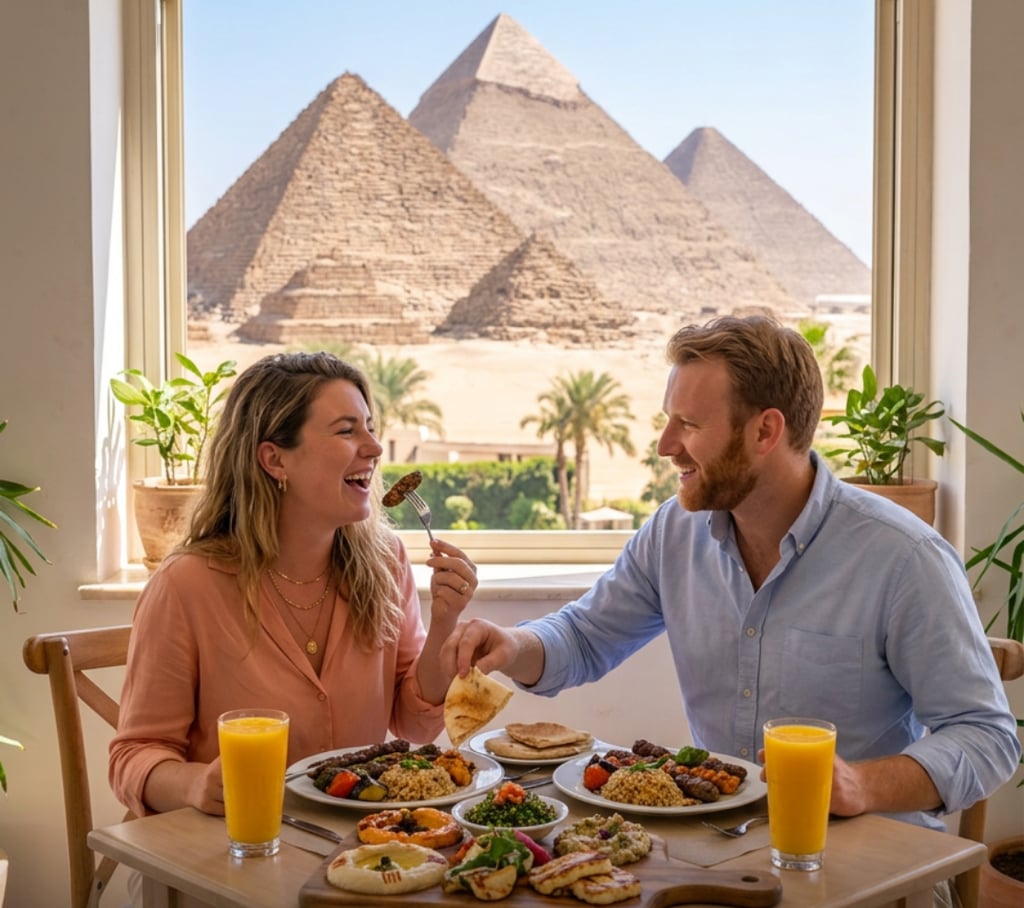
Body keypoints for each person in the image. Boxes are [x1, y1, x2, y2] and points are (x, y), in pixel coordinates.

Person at [440, 315, 1020, 836]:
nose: (666, 446)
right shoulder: (675, 532)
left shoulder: (903, 557)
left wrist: (862, 785)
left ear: (766, 432)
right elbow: (588, 636)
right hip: (719, 848)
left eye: (688, 424)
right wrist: (514, 645)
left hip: (870, 860)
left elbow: (987, 737)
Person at [110, 351, 478, 819]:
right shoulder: (185, 586)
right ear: (274, 459)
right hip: (228, 855)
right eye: (347, 430)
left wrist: (445, 624)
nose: (374, 447)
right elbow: (134, 755)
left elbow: (415, 725)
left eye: (369, 425)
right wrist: (193, 784)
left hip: (356, 845)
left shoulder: (387, 562)